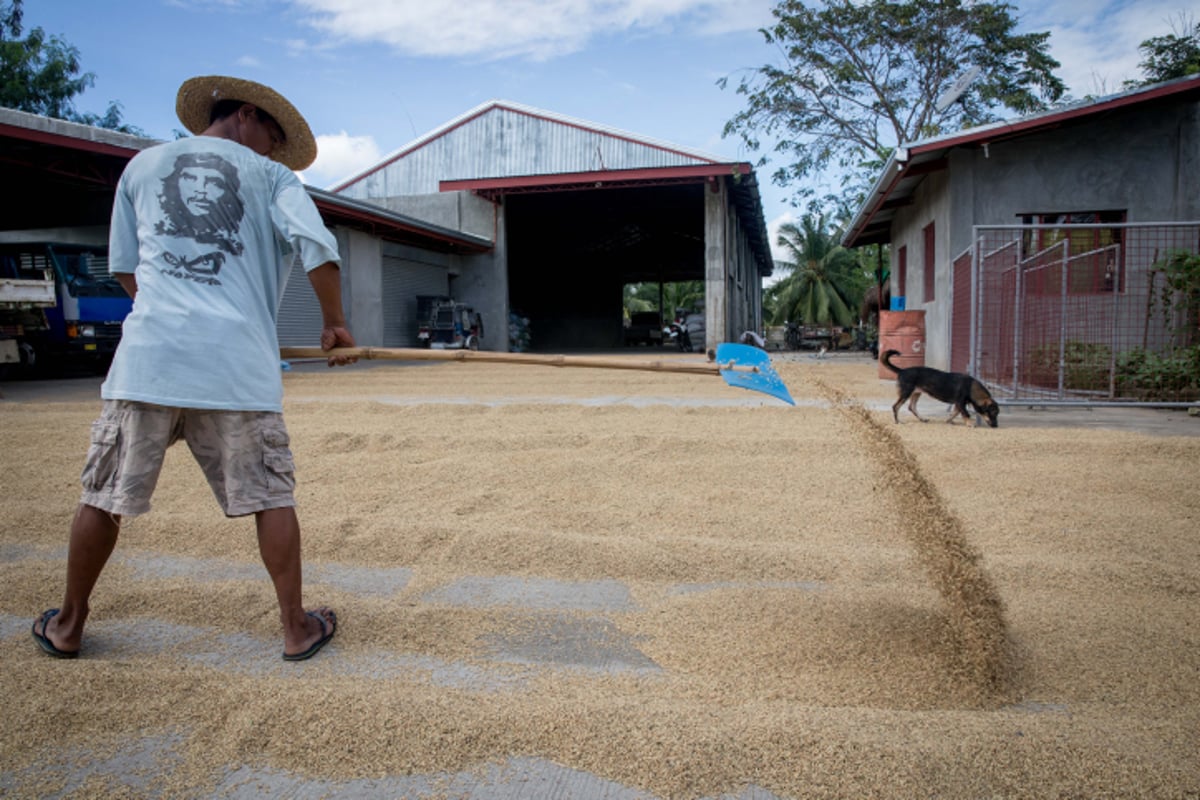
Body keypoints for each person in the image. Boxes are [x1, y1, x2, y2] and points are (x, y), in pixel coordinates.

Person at [31, 75, 356, 662]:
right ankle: (295, 629)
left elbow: (127, 272)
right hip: (235, 367)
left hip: (149, 361)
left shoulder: (141, 167)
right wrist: (335, 324)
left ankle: (68, 626)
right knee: (270, 496)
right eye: (272, 137)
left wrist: (168, 313)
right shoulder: (274, 178)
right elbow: (320, 248)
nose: (272, 151)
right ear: (248, 115)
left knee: (101, 496)